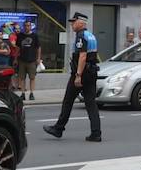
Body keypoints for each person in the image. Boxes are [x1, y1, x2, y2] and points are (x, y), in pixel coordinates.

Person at [43, 12, 101, 142]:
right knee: (91, 103)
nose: (72, 24)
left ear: (81, 22)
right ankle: (96, 133)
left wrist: (78, 75)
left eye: (74, 22)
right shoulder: (91, 36)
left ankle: (58, 129)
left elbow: (82, 56)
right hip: (91, 73)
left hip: (82, 73)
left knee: (68, 101)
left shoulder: (81, 36)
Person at [14, 20, 41, 101]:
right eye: (25, 25)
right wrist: (15, 59)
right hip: (22, 60)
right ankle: (23, 93)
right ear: (23, 26)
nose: (27, 27)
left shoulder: (35, 36)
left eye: (28, 26)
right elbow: (17, 48)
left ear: (31, 26)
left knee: (32, 77)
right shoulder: (20, 35)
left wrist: (38, 58)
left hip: (32, 60)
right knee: (22, 78)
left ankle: (31, 93)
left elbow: (38, 47)